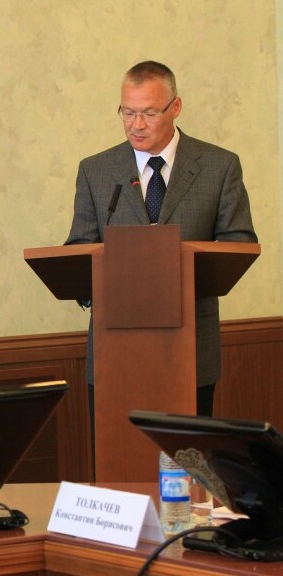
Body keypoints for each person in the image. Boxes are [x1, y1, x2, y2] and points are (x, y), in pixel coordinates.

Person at [65, 60, 257, 417]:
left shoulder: (219, 166)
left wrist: (176, 267)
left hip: (190, 346)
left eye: (150, 113)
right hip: (115, 346)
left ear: (176, 107)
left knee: (186, 449)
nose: (136, 124)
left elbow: (239, 244)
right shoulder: (96, 170)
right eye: (128, 112)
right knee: (115, 451)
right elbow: (78, 246)